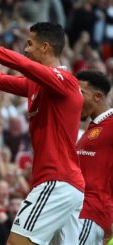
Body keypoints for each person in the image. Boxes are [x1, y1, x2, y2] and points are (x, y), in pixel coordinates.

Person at [0, 21, 85, 244]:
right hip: (65, 185)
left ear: (45, 47)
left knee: (16, 242)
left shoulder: (67, 82)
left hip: (57, 181)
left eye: (30, 43)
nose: (26, 49)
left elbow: (22, 64)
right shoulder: (37, 85)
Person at [74, 70, 113, 244]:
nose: (75, 98)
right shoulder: (89, 130)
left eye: (80, 93)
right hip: (76, 211)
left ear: (97, 97)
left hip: (94, 212)